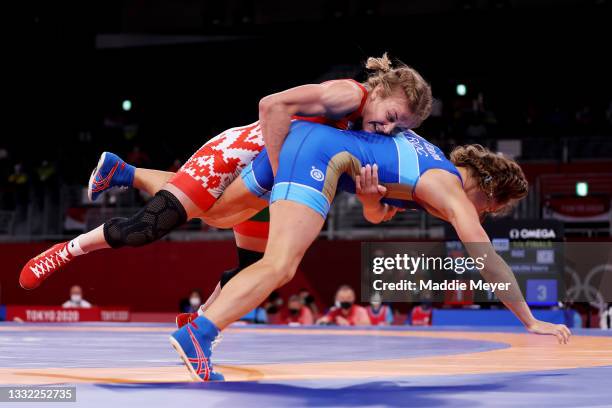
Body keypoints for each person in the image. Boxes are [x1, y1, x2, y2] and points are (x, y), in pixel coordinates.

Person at [167, 120, 571, 381]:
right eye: (490, 208)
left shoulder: (430, 164)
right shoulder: (449, 189)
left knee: (215, 212)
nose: (481, 215)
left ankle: (130, 178)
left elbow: (377, 214)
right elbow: (487, 260)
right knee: (279, 264)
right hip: (318, 153)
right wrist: (530, 320)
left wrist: (369, 201)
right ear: (485, 189)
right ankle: (198, 334)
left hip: (312, 145)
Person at [19, 54, 431, 303]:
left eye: (399, 128)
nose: (387, 130)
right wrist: (283, 175)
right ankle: (66, 251)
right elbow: (271, 106)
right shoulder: (349, 95)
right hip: (235, 156)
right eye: (391, 117)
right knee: (149, 227)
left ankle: (197, 322)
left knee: (253, 269)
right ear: (379, 90)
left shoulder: (367, 126)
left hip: (267, 179)